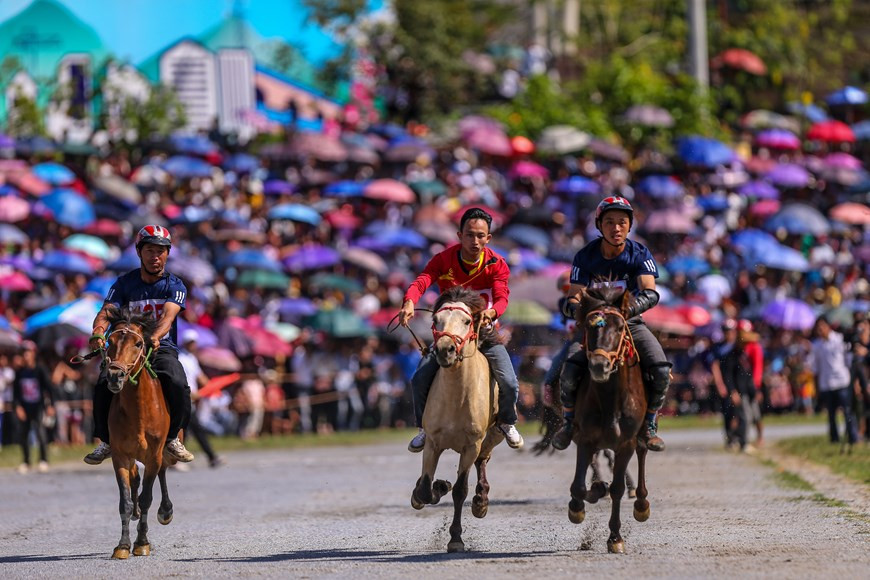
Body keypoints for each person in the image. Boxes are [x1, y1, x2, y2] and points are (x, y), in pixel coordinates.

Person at [398, 207, 524, 451]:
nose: (474, 241)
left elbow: (502, 298)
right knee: (419, 378)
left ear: (488, 238)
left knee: (509, 381)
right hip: (451, 334)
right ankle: (424, 428)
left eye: (480, 236)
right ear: (459, 235)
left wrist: (492, 312)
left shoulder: (497, 264)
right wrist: (410, 302)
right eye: (469, 235)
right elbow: (422, 281)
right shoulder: (443, 260)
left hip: (484, 331)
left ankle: (507, 422)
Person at [552, 196, 671, 452]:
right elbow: (574, 294)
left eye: (621, 222)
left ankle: (649, 424)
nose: (616, 228)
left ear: (629, 226)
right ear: (599, 225)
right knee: (569, 370)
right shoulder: (585, 256)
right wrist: (574, 308)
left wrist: (626, 310)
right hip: (595, 325)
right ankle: (569, 422)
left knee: (661, 370)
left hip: (629, 323)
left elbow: (650, 292)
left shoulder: (640, 253)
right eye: (609, 223)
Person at [83, 225, 195, 464]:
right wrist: (98, 331)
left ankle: (173, 437)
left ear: (167, 254)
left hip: (159, 347)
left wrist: (155, 336)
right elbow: (107, 311)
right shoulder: (124, 284)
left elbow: (168, 317)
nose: (155, 257)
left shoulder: (175, 285)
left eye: (161, 251)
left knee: (177, 381)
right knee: (103, 382)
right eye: (150, 251)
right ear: (139, 252)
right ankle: (105, 440)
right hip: (126, 349)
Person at [809, 317, 859, 446]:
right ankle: (834, 439)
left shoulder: (839, 340)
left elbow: (848, 362)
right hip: (827, 384)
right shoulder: (817, 346)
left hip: (842, 381)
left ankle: (853, 437)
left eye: (822, 326)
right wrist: (816, 388)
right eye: (818, 327)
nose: (820, 329)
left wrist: (855, 382)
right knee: (831, 415)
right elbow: (816, 369)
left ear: (828, 326)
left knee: (848, 412)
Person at [178, 330, 225, 468]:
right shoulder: (181, 358)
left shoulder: (192, 358)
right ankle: (211, 457)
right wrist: (190, 393)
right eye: (190, 342)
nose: (193, 345)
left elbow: (200, 376)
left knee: (187, 429)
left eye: (194, 342)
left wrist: (213, 388)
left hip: (191, 397)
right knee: (193, 428)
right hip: (184, 396)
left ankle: (180, 458)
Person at [710, 319, 753, 452]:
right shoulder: (719, 348)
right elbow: (715, 366)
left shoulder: (737, 347)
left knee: (740, 414)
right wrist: (720, 384)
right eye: (726, 331)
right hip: (726, 384)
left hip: (737, 385)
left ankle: (739, 438)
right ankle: (730, 438)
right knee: (728, 413)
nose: (729, 334)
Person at [12, 341, 54, 473]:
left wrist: (50, 405)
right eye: (23, 353)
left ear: (33, 354)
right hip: (25, 407)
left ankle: (43, 460)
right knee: (23, 435)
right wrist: (17, 407)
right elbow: (16, 393)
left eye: (28, 352)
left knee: (40, 433)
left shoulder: (40, 369)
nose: (25, 355)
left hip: (38, 406)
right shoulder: (20, 372)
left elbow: (49, 388)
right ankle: (26, 461)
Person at [738, 319, 765, 445]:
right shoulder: (740, 347)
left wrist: (756, 387)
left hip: (753, 385)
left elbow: (757, 369)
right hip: (743, 385)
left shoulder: (754, 347)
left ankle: (760, 437)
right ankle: (743, 439)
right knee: (744, 414)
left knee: (755, 414)